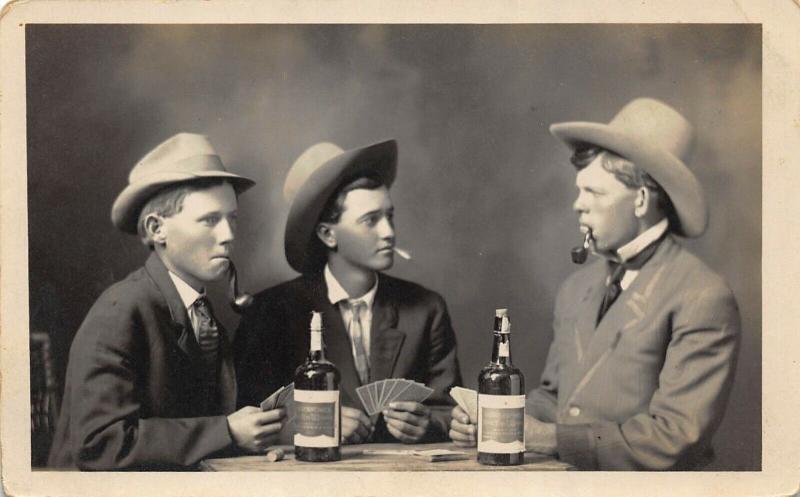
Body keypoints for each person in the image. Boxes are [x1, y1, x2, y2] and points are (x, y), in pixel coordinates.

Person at [449, 98, 741, 470]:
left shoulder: (702, 295)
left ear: (640, 200)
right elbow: (556, 400)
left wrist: (543, 436)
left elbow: (675, 437)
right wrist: (494, 415)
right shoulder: (576, 289)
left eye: (594, 193)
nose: (577, 205)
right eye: (579, 190)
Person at [48, 133, 285, 470]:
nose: (229, 236)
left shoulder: (203, 316)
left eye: (232, 218)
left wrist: (253, 438)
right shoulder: (121, 310)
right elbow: (98, 443)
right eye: (210, 220)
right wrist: (227, 431)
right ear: (157, 229)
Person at [235, 139, 462, 444]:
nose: (389, 232)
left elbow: (450, 409)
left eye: (389, 216)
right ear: (328, 234)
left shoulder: (426, 309)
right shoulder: (271, 312)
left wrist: (429, 423)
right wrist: (311, 426)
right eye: (371, 220)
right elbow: (247, 414)